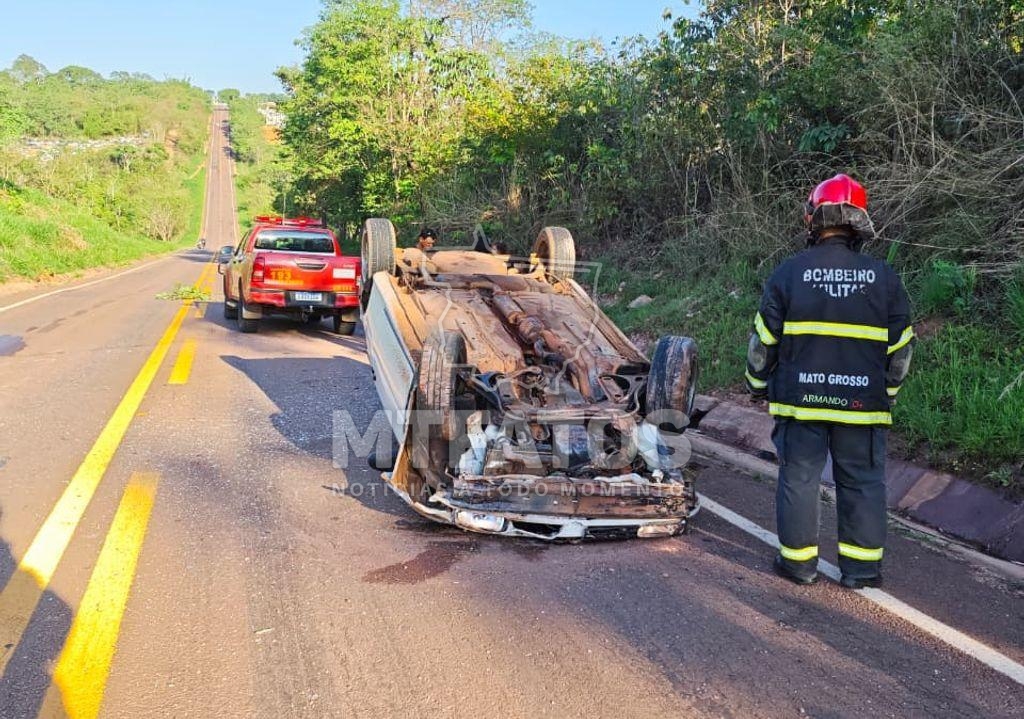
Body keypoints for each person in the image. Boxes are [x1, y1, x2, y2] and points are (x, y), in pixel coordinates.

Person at [745, 174, 914, 589]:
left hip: (801, 403)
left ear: (814, 218)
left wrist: (756, 383)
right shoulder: (885, 278)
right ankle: (861, 570)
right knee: (862, 482)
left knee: (799, 478)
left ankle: (799, 566)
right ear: (859, 220)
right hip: (863, 406)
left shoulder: (787, 274)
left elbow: (762, 344)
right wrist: (885, 394)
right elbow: (901, 351)